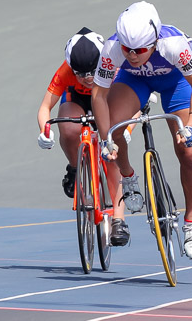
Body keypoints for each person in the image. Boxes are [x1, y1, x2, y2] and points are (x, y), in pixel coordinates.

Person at [91, 1, 192, 259]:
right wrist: (106, 138)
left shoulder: (175, 45)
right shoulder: (112, 48)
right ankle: (128, 177)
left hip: (174, 82)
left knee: (188, 152)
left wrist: (191, 124)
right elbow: (98, 96)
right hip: (134, 81)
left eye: (140, 49)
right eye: (127, 49)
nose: (132, 55)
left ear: (154, 42)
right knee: (114, 129)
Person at [36, 27, 130, 246]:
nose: (87, 78)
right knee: (68, 129)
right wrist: (44, 130)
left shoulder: (112, 63)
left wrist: (127, 130)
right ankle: (75, 167)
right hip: (76, 100)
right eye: (80, 73)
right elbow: (45, 107)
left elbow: (130, 100)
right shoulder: (65, 70)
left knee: (112, 151)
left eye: (92, 71)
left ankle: (119, 218)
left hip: (107, 97)